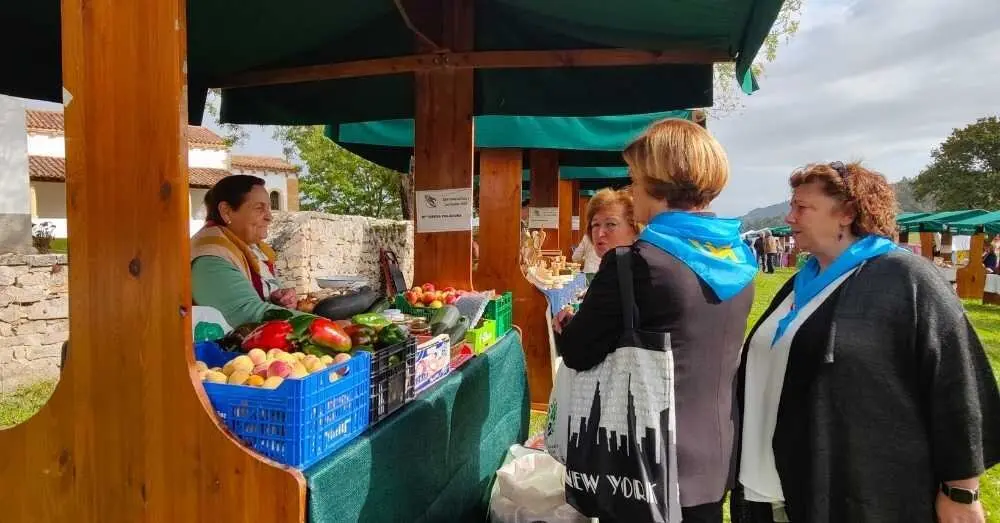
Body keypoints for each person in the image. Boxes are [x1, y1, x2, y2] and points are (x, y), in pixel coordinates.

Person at [732, 162, 1000, 523]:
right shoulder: (799, 284)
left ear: (846, 213)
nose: (790, 217)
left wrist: (961, 492)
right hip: (770, 487)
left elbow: (956, 384)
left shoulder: (905, 278)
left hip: (858, 492)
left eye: (802, 207)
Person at [555, 119, 757, 523]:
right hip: (717, 454)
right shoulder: (738, 258)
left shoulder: (635, 265)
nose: (631, 189)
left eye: (634, 177)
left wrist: (565, 325)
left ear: (658, 179)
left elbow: (579, 351)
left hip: (645, 462)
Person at [191, 175, 298, 327]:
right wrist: (324, 325)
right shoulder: (210, 256)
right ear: (226, 211)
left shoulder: (251, 248)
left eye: (268, 208)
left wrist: (274, 297)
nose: (269, 217)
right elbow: (249, 314)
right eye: (259, 208)